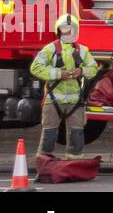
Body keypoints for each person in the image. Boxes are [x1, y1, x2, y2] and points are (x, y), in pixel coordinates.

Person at [29, 13, 99, 159]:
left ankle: (73, 165)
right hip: (54, 100)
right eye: (65, 29)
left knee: (77, 135)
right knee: (49, 134)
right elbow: (35, 68)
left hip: (74, 101)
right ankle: (44, 165)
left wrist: (81, 71)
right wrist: (59, 74)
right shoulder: (50, 49)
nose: (68, 33)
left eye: (71, 29)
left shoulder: (83, 50)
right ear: (59, 31)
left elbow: (93, 69)